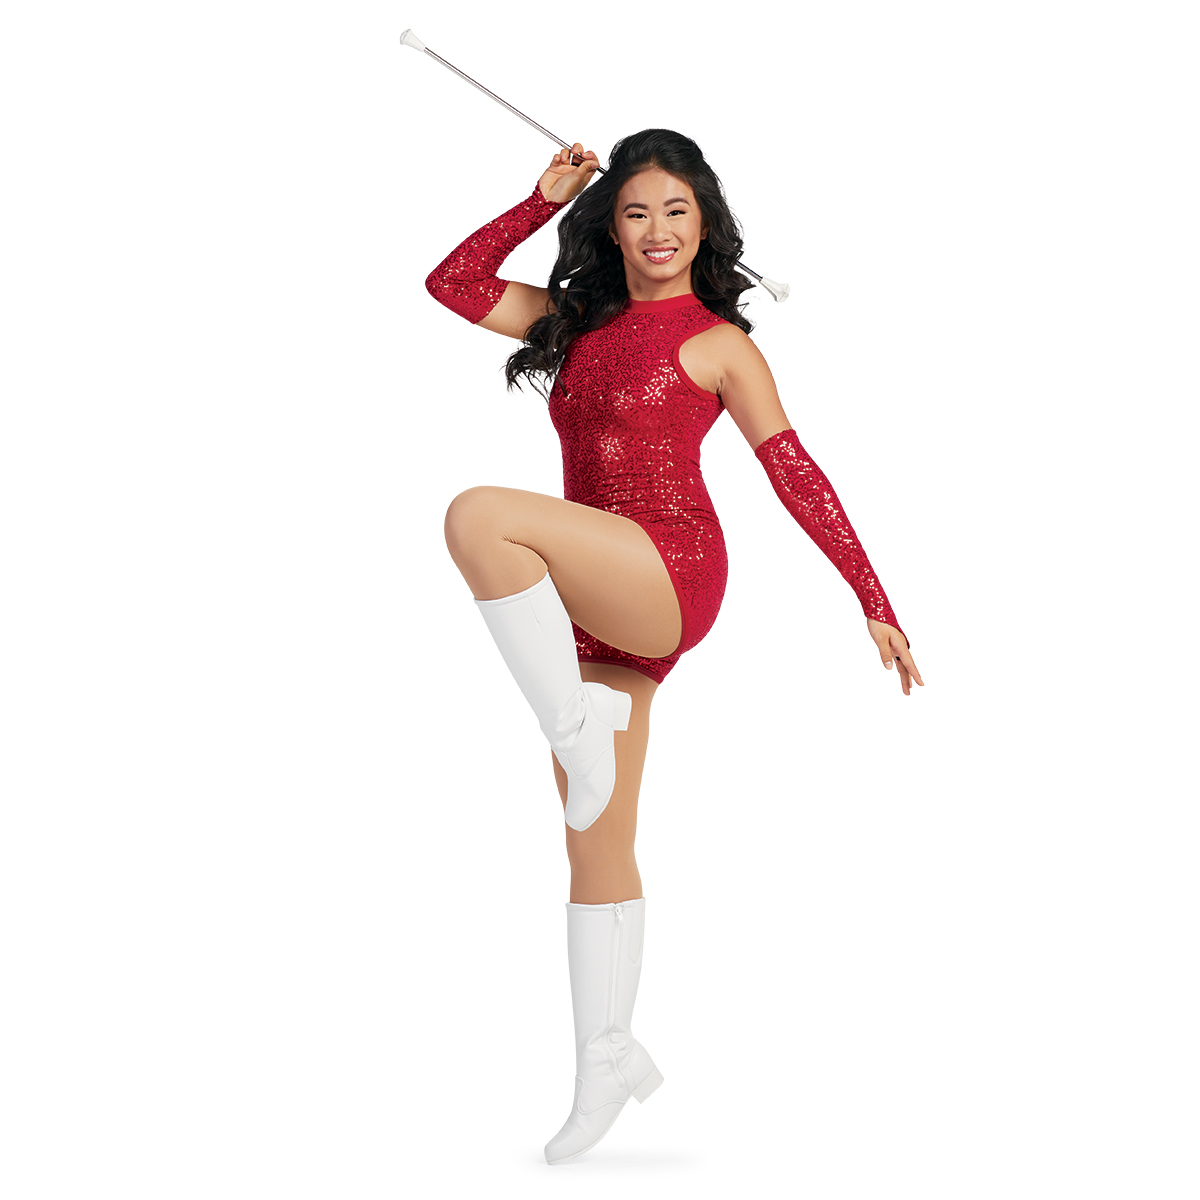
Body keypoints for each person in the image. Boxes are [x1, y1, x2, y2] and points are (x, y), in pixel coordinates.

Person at [424, 128, 924, 1165]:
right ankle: (606, 1057)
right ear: (611, 227)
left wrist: (870, 594)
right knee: (592, 832)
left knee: (478, 515)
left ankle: (574, 722)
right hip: (584, 606)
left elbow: (796, 472)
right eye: (636, 211)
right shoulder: (573, 322)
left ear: (706, 225)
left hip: (668, 572)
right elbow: (452, 283)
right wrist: (539, 198)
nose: (657, 229)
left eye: (677, 211)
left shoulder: (720, 343)